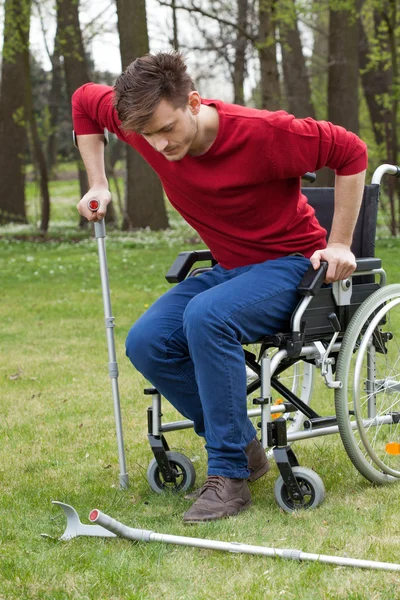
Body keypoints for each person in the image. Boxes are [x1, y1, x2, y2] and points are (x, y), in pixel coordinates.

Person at [72, 51, 367, 524]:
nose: (158, 144)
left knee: (207, 315)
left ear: (192, 101)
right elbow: (85, 103)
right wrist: (98, 183)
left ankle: (229, 476)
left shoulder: (266, 132)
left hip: (292, 266)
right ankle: (245, 447)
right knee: (146, 342)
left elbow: (350, 150)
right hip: (230, 267)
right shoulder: (146, 122)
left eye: (167, 129)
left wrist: (340, 244)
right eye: (146, 134)